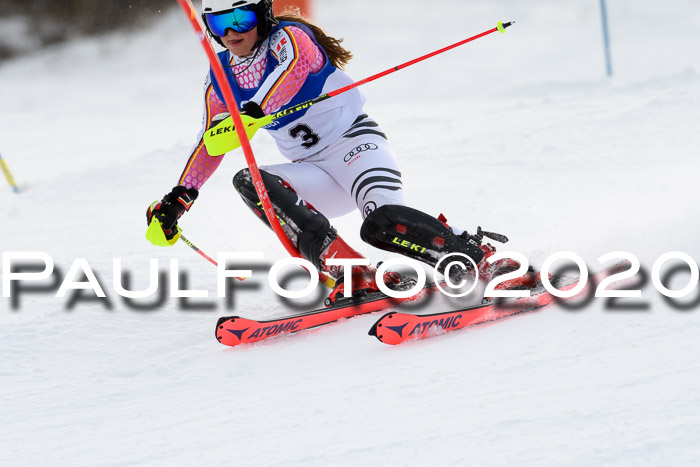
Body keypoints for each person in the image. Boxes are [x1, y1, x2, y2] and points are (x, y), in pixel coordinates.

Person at [146, 0, 528, 303]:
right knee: (251, 181)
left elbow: (292, 72)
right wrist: (178, 200)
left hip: (355, 148)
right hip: (313, 171)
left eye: (242, 19)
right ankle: (350, 271)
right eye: (218, 24)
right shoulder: (222, 80)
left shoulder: (290, 38)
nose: (231, 33)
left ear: (262, 14)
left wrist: (255, 113)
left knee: (381, 225)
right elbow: (210, 143)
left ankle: (477, 258)